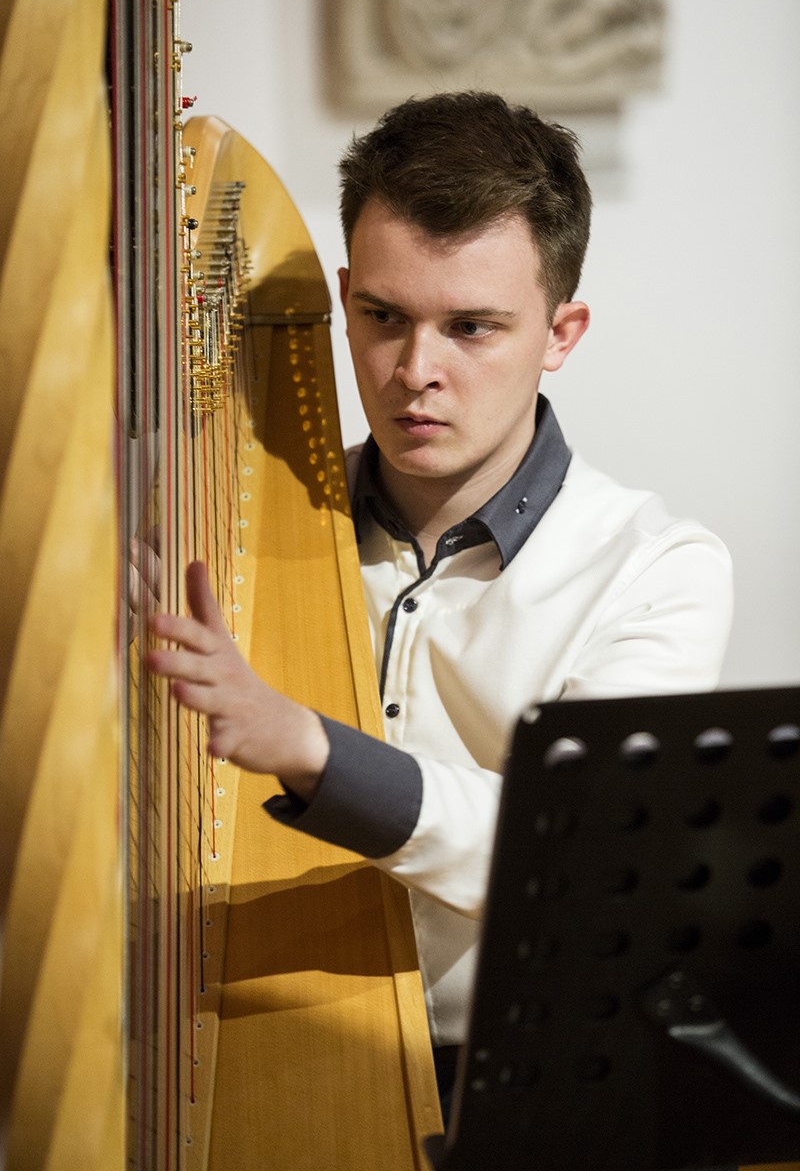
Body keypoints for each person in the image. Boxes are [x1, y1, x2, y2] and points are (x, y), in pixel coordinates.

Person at [148, 90, 733, 1113]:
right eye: (384, 317)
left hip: (524, 1090)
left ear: (560, 333)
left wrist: (307, 746)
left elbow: (573, 852)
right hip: (258, 1038)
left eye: (471, 327)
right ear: (342, 299)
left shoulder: (657, 571)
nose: (415, 372)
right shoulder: (226, 532)